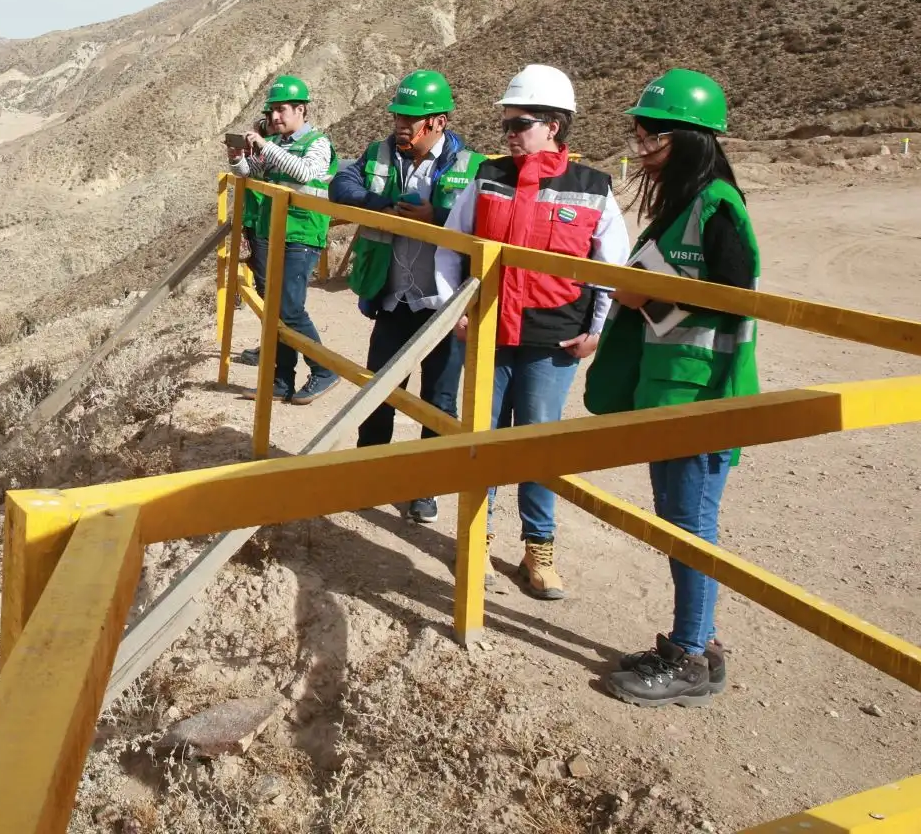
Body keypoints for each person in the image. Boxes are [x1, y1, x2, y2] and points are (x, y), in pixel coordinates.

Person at [584, 69, 758, 707]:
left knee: (689, 524)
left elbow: (737, 298)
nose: (640, 146)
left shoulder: (718, 207)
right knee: (679, 522)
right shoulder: (681, 207)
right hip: (668, 390)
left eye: (652, 134)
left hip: (702, 396)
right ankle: (697, 643)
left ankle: (689, 656)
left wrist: (650, 292)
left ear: (691, 140)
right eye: (638, 132)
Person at [436, 64, 629, 599]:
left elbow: (612, 266)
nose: (510, 134)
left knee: (537, 447)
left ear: (554, 126)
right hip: (491, 334)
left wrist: (597, 329)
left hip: (554, 342)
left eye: (520, 123)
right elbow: (451, 245)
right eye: (506, 124)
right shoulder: (487, 177)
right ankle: (476, 539)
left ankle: (538, 551)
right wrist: (456, 309)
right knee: (485, 442)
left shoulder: (592, 189)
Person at [331, 69, 485, 523]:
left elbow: (482, 224)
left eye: (411, 118)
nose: (400, 123)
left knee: (439, 399)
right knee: (381, 387)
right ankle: (369, 471)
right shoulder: (379, 153)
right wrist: (383, 208)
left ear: (438, 121)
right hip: (393, 297)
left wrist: (435, 216)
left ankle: (425, 488)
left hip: (444, 304)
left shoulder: (471, 166)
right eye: (398, 114)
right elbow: (342, 185)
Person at [226, 75, 341, 404]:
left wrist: (265, 145)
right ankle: (281, 380)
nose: (274, 117)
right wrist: (238, 157)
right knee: (276, 310)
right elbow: (251, 172)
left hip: (301, 234)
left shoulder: (317, 143)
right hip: (274, 232)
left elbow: (304, 173)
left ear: (301, 110)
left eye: (281, 110)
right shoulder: (282, 144)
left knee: (290, 310)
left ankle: (324, 369)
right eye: (271, 112)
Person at [233, 104, 273, 368]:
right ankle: (270, 344)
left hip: (265, 227)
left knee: (268, 287)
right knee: (264, 286)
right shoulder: (256, 166)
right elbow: (241, 172)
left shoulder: (269, 164)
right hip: (257, 225)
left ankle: (272, 347)